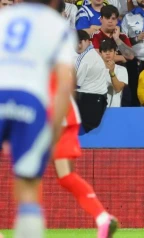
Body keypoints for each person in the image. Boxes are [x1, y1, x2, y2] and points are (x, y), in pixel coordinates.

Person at [0, 1, 75, 237]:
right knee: (29, 185)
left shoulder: (5, 16)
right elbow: (65, 84)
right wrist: (52, 133)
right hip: (30, 101)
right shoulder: (58, 26)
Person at [49, 73, 118, 238]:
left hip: (53, 111)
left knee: (28, 174)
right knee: (65, 176)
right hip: (55, 110)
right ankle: (102, 218)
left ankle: (102, 217)